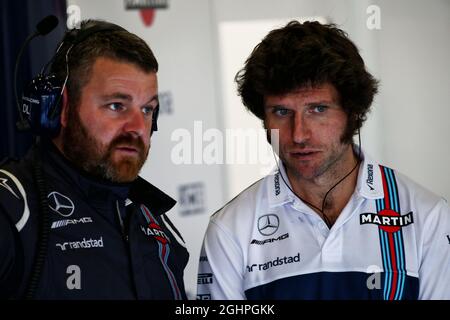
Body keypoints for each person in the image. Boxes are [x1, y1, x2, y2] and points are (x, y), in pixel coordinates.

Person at [196, 20, 450, 300]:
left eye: (317, 109)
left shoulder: (428, 217)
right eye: (281, 112)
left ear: (352, 112)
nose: (299, 134)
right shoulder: (230, 229)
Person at [0, 19, 188, 299]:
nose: (137, 127)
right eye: (116, 105)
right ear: (59, 108)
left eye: (147, 109)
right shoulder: (11, 209)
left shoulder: (155, 219)